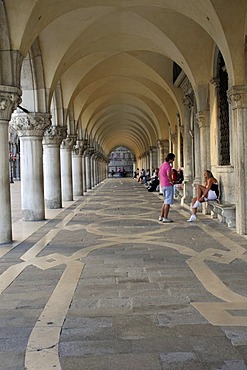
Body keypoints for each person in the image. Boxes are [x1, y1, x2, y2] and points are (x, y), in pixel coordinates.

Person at [159, 153, 175, 223]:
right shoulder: (168, 166)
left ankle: (161, 216)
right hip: (168, 185)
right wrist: (171, 182)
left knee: (165, 201)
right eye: (173, 159)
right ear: (170, 159)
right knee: (168, 202)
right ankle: (165, 217)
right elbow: (168, 175)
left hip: (163, 184)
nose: (173, 160)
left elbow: (159, 174)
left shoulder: (162, 165)